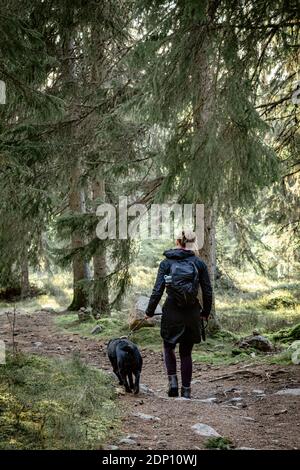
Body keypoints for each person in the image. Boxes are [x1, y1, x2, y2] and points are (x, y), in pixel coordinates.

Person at [145, 229, 212, 398]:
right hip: (192, 312)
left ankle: (173, 383)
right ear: (193, 243)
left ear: (177, 242)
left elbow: (157, 290)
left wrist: (150, 312)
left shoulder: (166, 263)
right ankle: (187, 391)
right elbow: (207, 291)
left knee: (168, 347)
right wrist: (205, 312)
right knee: (186, 352)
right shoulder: (199, 263)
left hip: (172, 311)